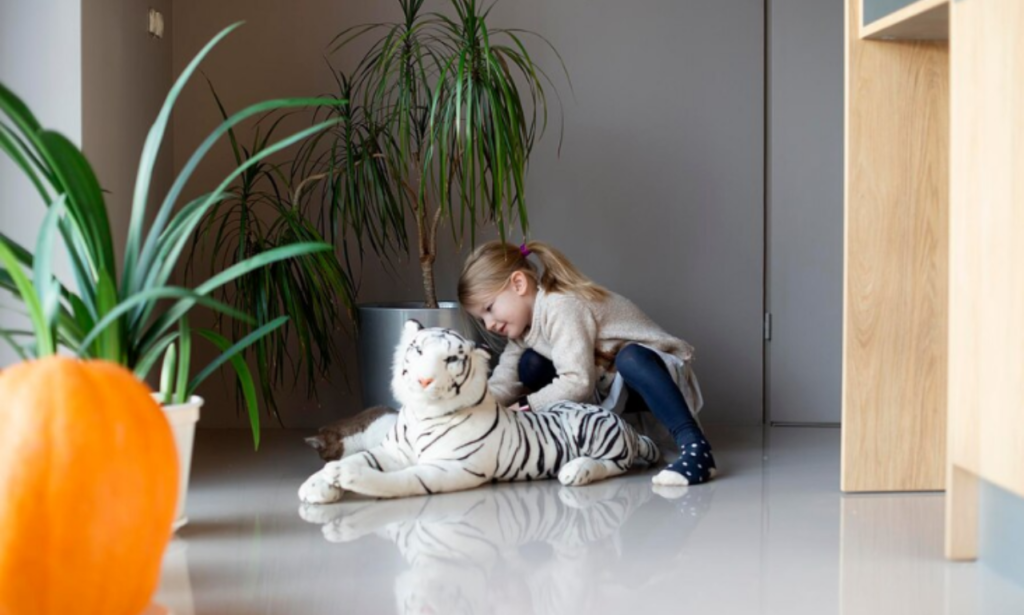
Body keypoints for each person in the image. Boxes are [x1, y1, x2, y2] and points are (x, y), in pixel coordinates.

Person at [458, 240, 715, 486]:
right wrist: (472, 411)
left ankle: (695, 448)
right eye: (482, 319)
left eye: (489, 308)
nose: (489, 324)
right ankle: (570, 442)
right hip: (607, 386)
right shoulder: (523, 332)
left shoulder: (560, 304)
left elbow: (577, 382)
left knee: (630, 358)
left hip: (653, 375)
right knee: (530, 364)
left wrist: (524, 407)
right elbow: (504, 381)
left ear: (518, 283)